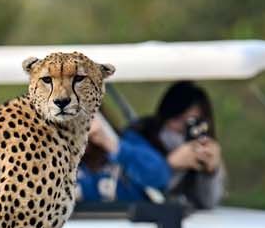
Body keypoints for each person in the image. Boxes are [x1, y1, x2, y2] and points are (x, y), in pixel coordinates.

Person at [76, 81, 225, 209]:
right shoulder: (144, 136)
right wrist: (171, 164)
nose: (182, 128)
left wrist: (210, 171)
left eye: (193, 123)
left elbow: (206, 202)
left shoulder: (131, 144)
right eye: (178, 119)